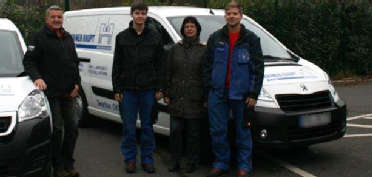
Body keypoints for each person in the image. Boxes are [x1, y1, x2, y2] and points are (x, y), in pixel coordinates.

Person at [202, 2, 264, 177]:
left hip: (242, 95)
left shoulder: (250, 39)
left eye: (235, 13)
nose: (232, 16)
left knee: (243, 131)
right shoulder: (215, 37)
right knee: (217, 131)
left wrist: (254, 93)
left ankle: (244, 166)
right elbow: (206, 65)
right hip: (218, 93)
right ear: (225, 16)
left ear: (241, 16)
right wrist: (208, 89)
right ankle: (221, 163)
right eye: (229, 13)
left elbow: (258, 68)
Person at [22, 5, 81, 177]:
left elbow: (74, 63)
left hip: (69, 93)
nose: (56, 19)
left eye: (59, 17)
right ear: (46, 19)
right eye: (53, 17)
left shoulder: (67, 37)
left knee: (73, 128)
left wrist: (77, 83)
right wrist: (37, 78)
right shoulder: (39, 38)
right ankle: (58, 167)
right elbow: (29, 62)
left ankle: (69, 162)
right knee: (56, 130)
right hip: (51, 93)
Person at [112, 2, 166, 174]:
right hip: (127, 90)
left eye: (143, 13)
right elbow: (117, 65)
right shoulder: (122, 37)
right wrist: (117, 89)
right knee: (128, 128)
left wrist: (160, 87)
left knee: (147, 127)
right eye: (137, 13)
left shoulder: (155, 37)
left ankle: (147, 159)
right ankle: (130, 159)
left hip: (148, 90)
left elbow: (160, 65)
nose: (140, 16)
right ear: (131, 15)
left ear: (146, 15)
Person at [164, 16, 206, 173]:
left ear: (197, 29)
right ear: (183, 29)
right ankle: (175, 161)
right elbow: (168, 71)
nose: (189, 28)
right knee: (175, 131)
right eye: (186, 26)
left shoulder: (204, 49)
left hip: (195, 97)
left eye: (192, 26)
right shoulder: (175, 49)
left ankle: (191, 162)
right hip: (176, 96)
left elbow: (206, 74)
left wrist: (206, 96)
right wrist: (167, 91)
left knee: (193, 133)